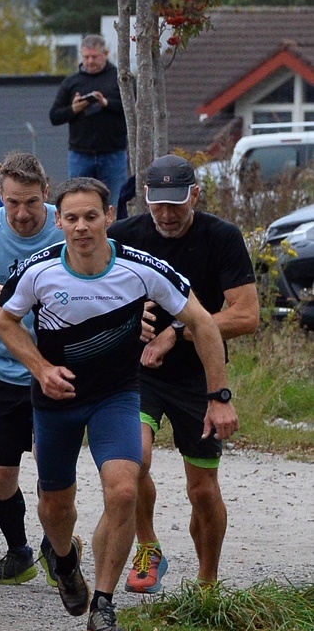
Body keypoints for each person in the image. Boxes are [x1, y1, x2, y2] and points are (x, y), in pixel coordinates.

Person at [0, 176, 235, 631]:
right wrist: (41, 368)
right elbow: (5, 320)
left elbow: (203, 322)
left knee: (123, 490)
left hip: (117, 395)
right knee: (55, 506)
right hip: (56, 399)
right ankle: (64, 560)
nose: (81, 227)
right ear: (58, 220)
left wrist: (218, 395)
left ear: (109, 217)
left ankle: (102, 606)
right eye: (71, 218)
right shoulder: (39, 269)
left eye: (91, 216)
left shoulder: (142, 268)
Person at [109, 155, 258, 591]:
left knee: (202, 490)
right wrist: (124, 323)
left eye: (177, 204)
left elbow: (246, 316)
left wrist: (179, 329)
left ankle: (207, 584)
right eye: (158, 205)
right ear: (146, 199)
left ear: (195, 195)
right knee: (134, 460)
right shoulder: (123, 236)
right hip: (138, 372)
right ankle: (149, 546)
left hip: (199, 376)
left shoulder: (221, 237)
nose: (168, 215)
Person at [0, 153, 65, 586]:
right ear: (0, 197)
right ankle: (19, 551)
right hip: (4, 369)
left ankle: (59, 549)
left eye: (31, 204)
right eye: (12, 204)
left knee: (52, 470)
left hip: (58, 370)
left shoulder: (68, 227)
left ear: (46, 194)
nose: (21, 214)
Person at [50, 34, 127, 187]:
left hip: (113, 155)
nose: (90, 61)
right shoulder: (71, 82)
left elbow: (133, 110)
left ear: (105, 54)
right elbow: (54, 116)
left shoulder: (120, 79)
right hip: (80, 155)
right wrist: (74, 109)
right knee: (78, 201)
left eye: (95, 57)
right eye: (86, 57)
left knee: (117, 202)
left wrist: (106, 103)